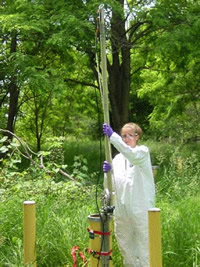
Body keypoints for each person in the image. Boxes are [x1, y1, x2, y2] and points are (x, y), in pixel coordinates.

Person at [102, 122, 155, 267]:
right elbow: (110, 186)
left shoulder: (142, 153)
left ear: (137, 136)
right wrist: (108, 173)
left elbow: (131, 155)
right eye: (123, 135)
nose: (126, 139)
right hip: (122, 209)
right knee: (125, 246)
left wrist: (113, 136)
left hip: (140, 207)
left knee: (144, 246)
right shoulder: (118, 159)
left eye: (129, 135)